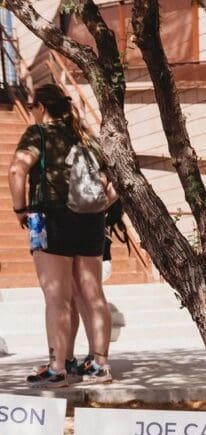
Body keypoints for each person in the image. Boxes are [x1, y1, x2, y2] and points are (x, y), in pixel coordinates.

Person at [8, 83, 116, 388]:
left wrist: (21, 209)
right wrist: (95, 209)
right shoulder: (86, 137)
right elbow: (111, 183)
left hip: (52, 217)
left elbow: (17, 171)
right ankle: (99, 364)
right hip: (91, 221)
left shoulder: (39, 134)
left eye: (32, 107)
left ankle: (57, 368)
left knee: (57, 296)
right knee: (91, 293)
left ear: (41, 106)